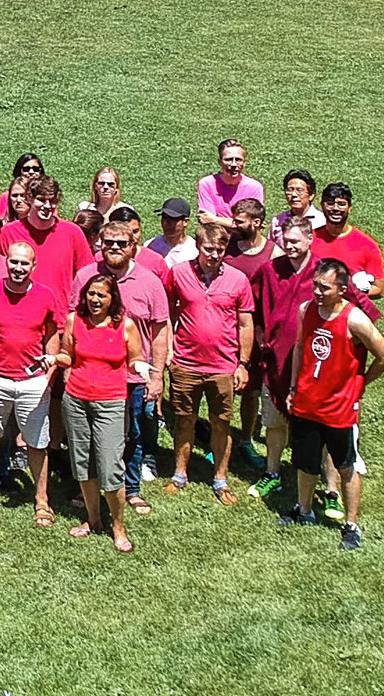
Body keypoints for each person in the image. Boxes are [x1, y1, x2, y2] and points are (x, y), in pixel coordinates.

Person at [278, 260, 384, 551]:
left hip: (339, 410)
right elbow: (302, 349)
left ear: (342, 290)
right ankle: (303, 510)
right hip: (307, 403)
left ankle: (351, 524)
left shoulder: (355, 320)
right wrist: (293, 388)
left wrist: (360, 383)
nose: (316, 291)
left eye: (324, 287)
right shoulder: (307, 310)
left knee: (345, 465)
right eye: (315, 285)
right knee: (305, 463)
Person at [78, 221, 172, 515]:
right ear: (100, 245)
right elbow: (72, 324)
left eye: (121, 243)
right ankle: (89, 489)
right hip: (92, 373)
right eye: (108, 243)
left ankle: (130, 489)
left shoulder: (150, 281)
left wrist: (156, 376)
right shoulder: (85, 277)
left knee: (132, 434)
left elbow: (159, 332)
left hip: (133, 376)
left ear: (134, 247)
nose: (114, 248)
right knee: (91, 435)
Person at [163, 223, 254, 505]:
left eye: (219, 250)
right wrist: (167, 351)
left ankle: (220, 478)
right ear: (198, 247)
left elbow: (245, 323)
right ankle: (179, 474)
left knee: (221, 423)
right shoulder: (178, 274)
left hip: (223, 366)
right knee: (184, 420)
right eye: (208, 249)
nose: (214, 255)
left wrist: (243, 363)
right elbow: (166, 313)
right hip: (186, 362)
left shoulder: (238, 280)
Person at [54, 273, 144, 554]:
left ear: (112, 298)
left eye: (101, 295)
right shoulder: (74, 321)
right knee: (83, 463)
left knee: (110, 465)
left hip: (111, 402)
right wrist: (55, 359)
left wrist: (140, 367)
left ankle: (118, 526)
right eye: (91, 294)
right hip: (76, 400)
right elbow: (68, 354)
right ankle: (93, 520)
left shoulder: (125, 326)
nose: (95, 300)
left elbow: (135, 358)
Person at [0, 243, 64, 525]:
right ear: (6, 263)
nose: (18, 268)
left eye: (24, 264)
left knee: (37, 444)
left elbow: (52, 334)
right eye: (13, 262)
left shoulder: (46, 296)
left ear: (33, 267)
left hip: (32, 382)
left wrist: (48, 375)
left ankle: (41, 500)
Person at [0, 175, 91, 302]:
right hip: (18, 310)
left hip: (60, 315)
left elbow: (87, 274)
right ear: (29, 198)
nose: (47, 206)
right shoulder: (9, 232)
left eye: (52, 201)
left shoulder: (72, 232)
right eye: (41, 200)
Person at [313, 182, 384, 299]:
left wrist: (356, 291)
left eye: (341, 204)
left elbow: (379, 289)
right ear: (322, 206)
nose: (335, 208)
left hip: (348, 313)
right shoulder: (309, 239)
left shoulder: (367, 245)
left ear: (350, 208)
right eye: (330, 204)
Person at [196, 139, 265, 225]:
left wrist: (215, 219)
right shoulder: (207, 184)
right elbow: (206, 221)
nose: (233, 164)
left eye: (238, 160)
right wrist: (239, 223)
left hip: (245, 237)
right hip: (216, 236)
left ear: (244, 163)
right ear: (220, 162)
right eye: (228, 159)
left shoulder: (255, 187)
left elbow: (252, 224)